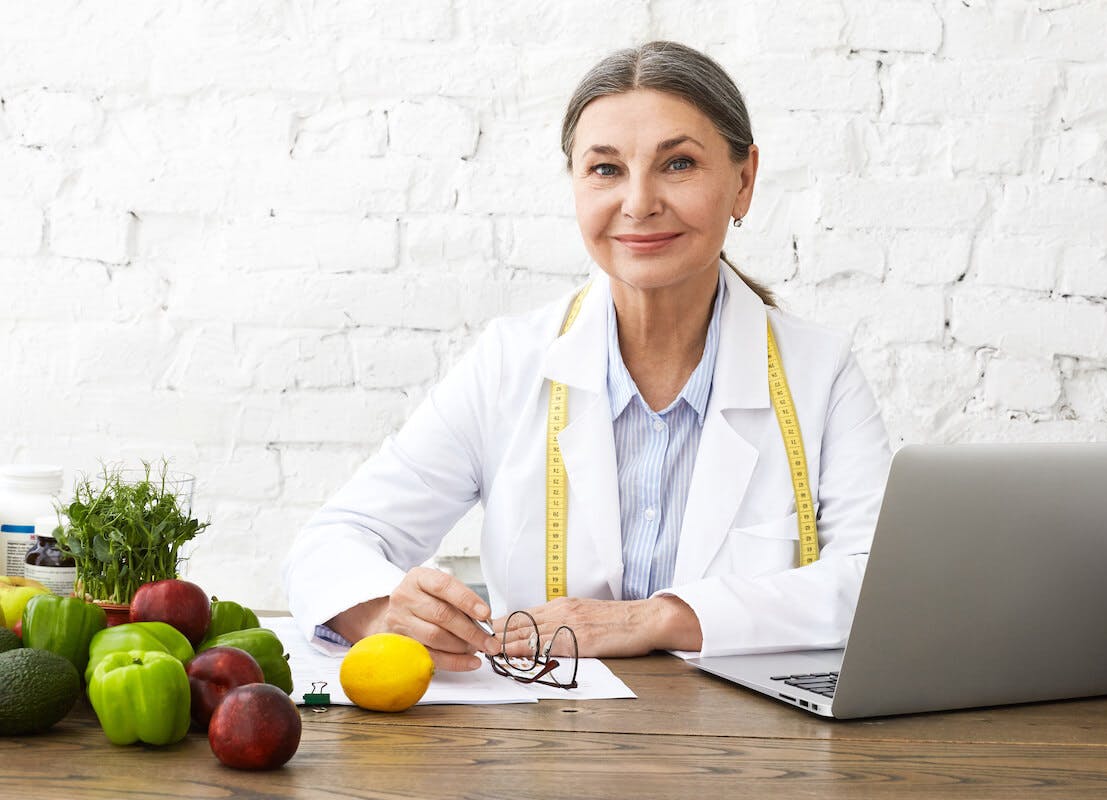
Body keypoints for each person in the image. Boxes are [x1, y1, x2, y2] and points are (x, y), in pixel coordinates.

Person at [283, 41, 892, 671]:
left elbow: (879, 586)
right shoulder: (510, 363)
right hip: (549, 747)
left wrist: (654, 619)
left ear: (744, 181)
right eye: (605, 170)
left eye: (678, 164)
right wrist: (387, 615)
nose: (639, 202)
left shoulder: (820, 375)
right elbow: (331, 542)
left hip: (748, 756)